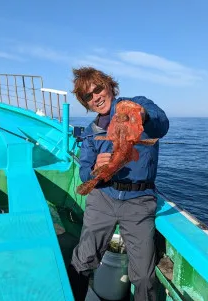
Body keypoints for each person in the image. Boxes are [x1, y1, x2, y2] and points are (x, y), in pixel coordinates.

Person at [67, 67, 169, 301]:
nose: (95, 97)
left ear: (110, 86)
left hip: (139, 201)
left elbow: (161, 125)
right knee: (82, 261)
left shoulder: (136, 105)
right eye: (88, 96)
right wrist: (94, 170)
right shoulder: (92, 132)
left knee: (143, 277)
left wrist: (142, 114)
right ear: (85, 103)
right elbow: (84, 171)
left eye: (98, 89)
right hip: (103, 196)